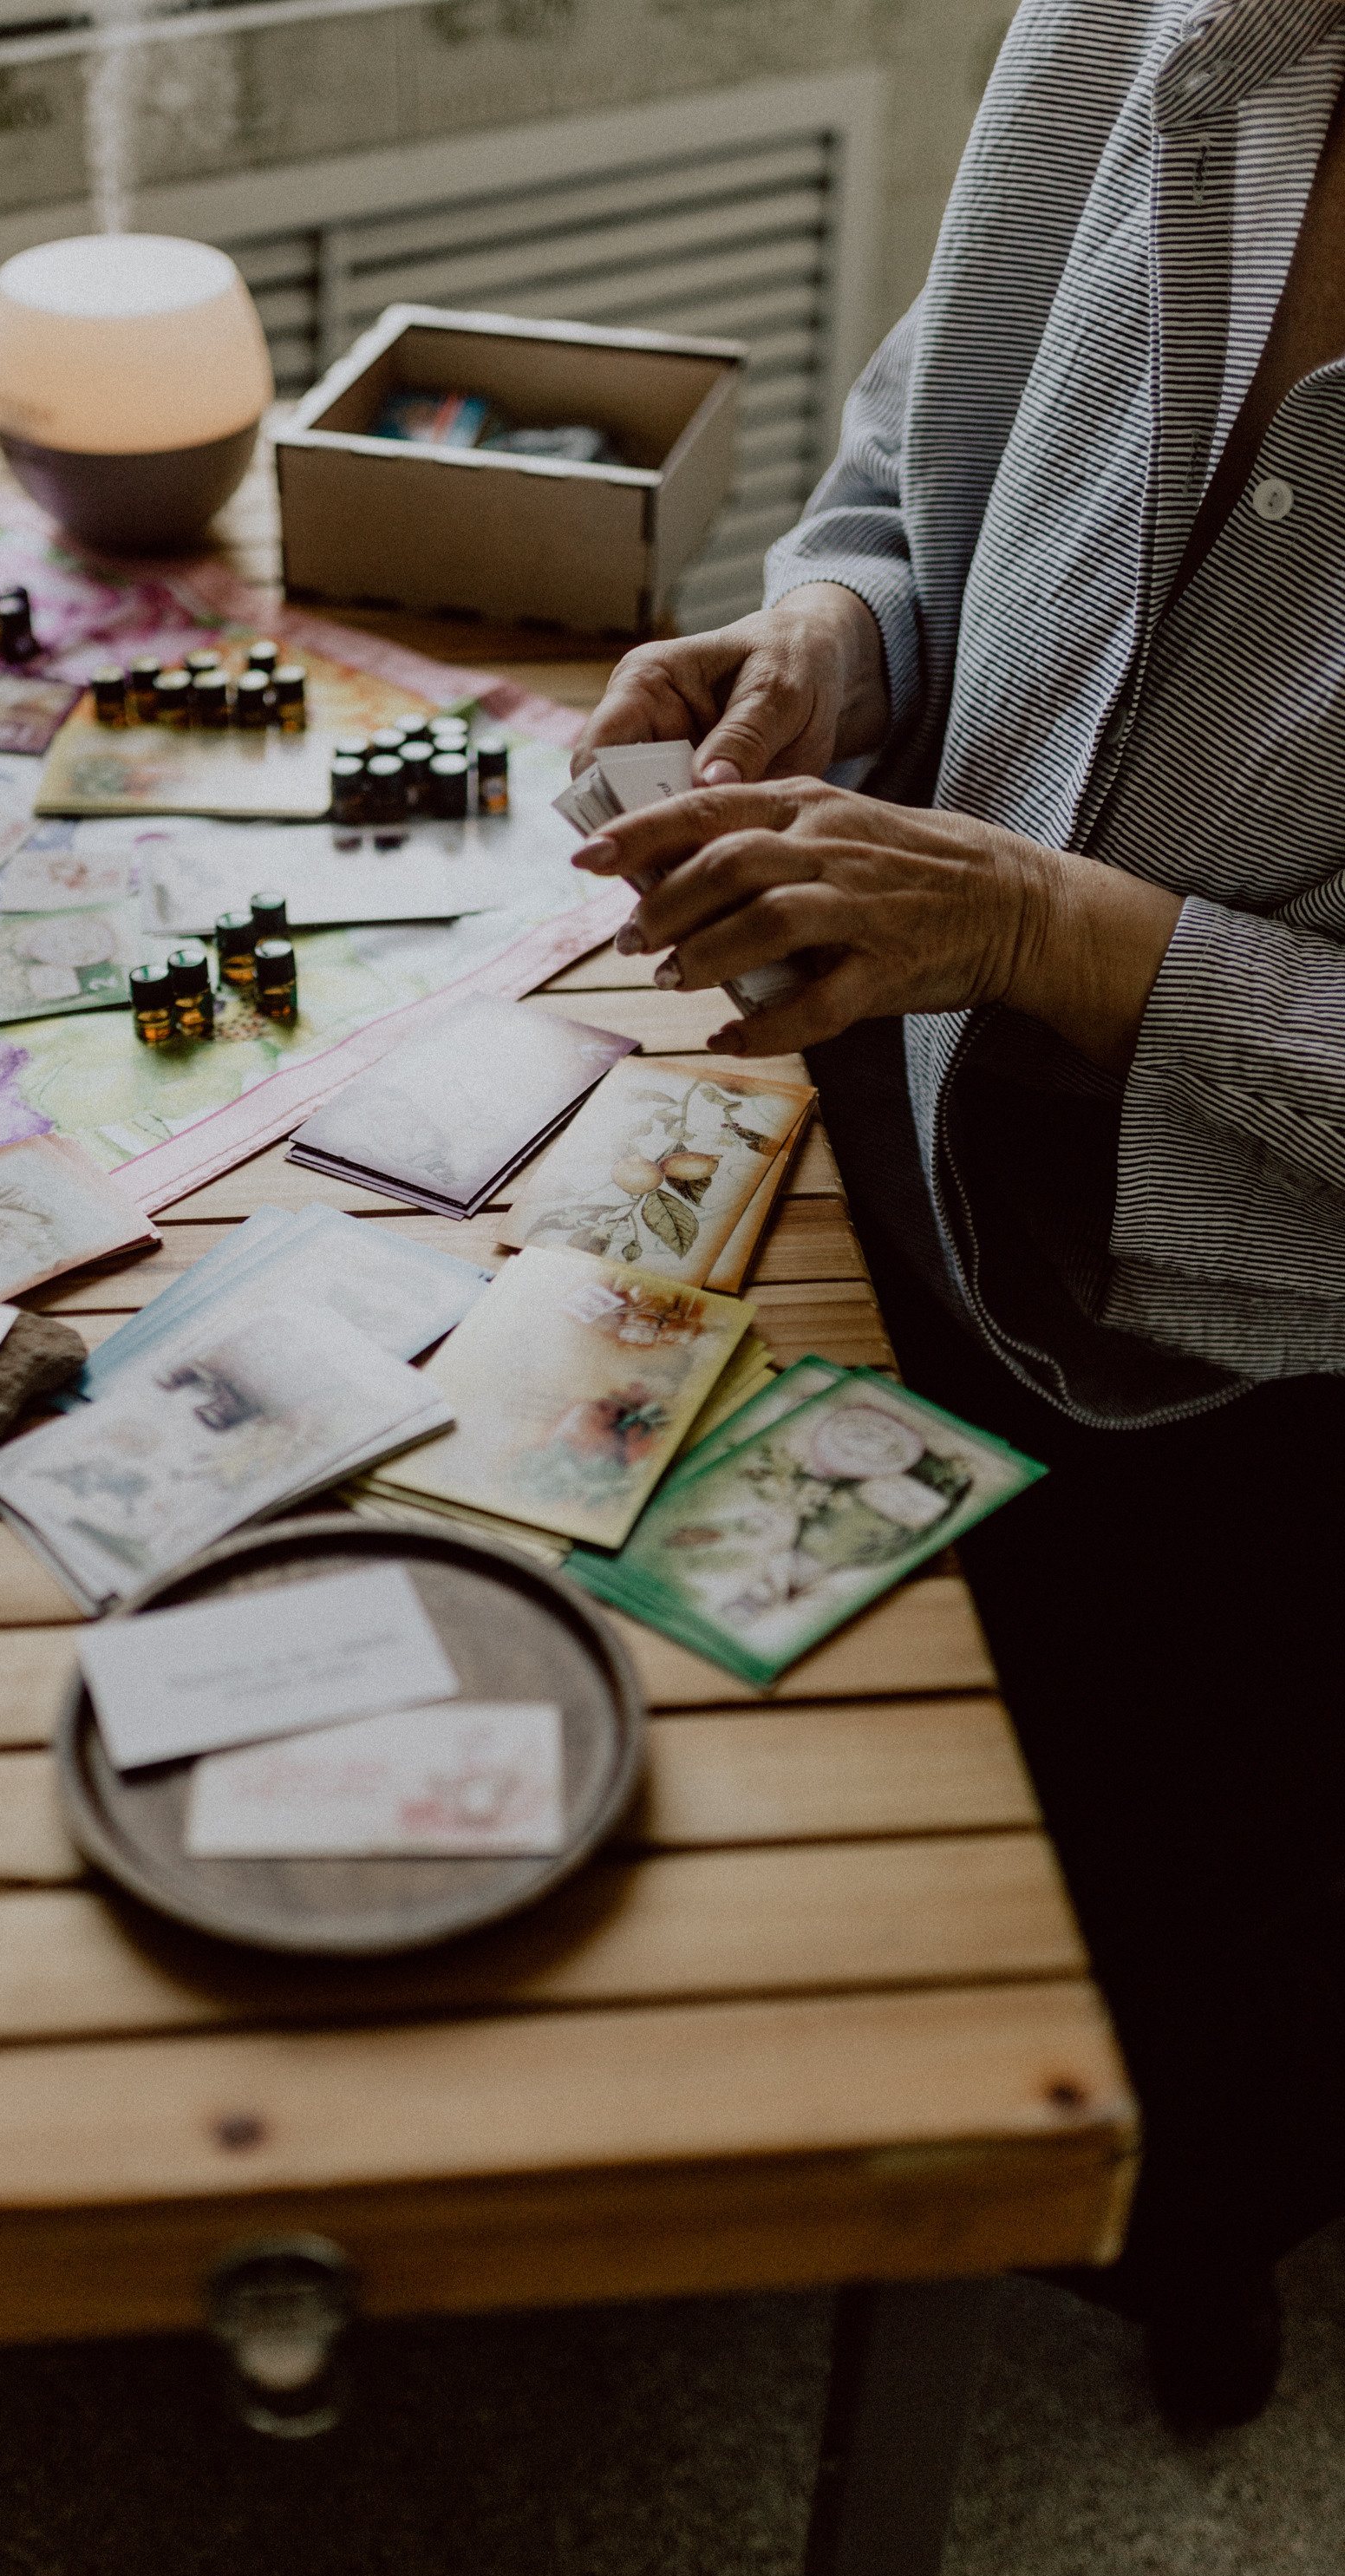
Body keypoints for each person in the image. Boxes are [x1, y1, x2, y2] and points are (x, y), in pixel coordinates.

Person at [572, 0, 1345, 2429]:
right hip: (908, 1157)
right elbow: (930, 434)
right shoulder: (1148, 18)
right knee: (857, 1734)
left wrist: (1049, 931)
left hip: (1284, 1362)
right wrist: (844, 626)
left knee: (1218, 1917)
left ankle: (1188, 2259)